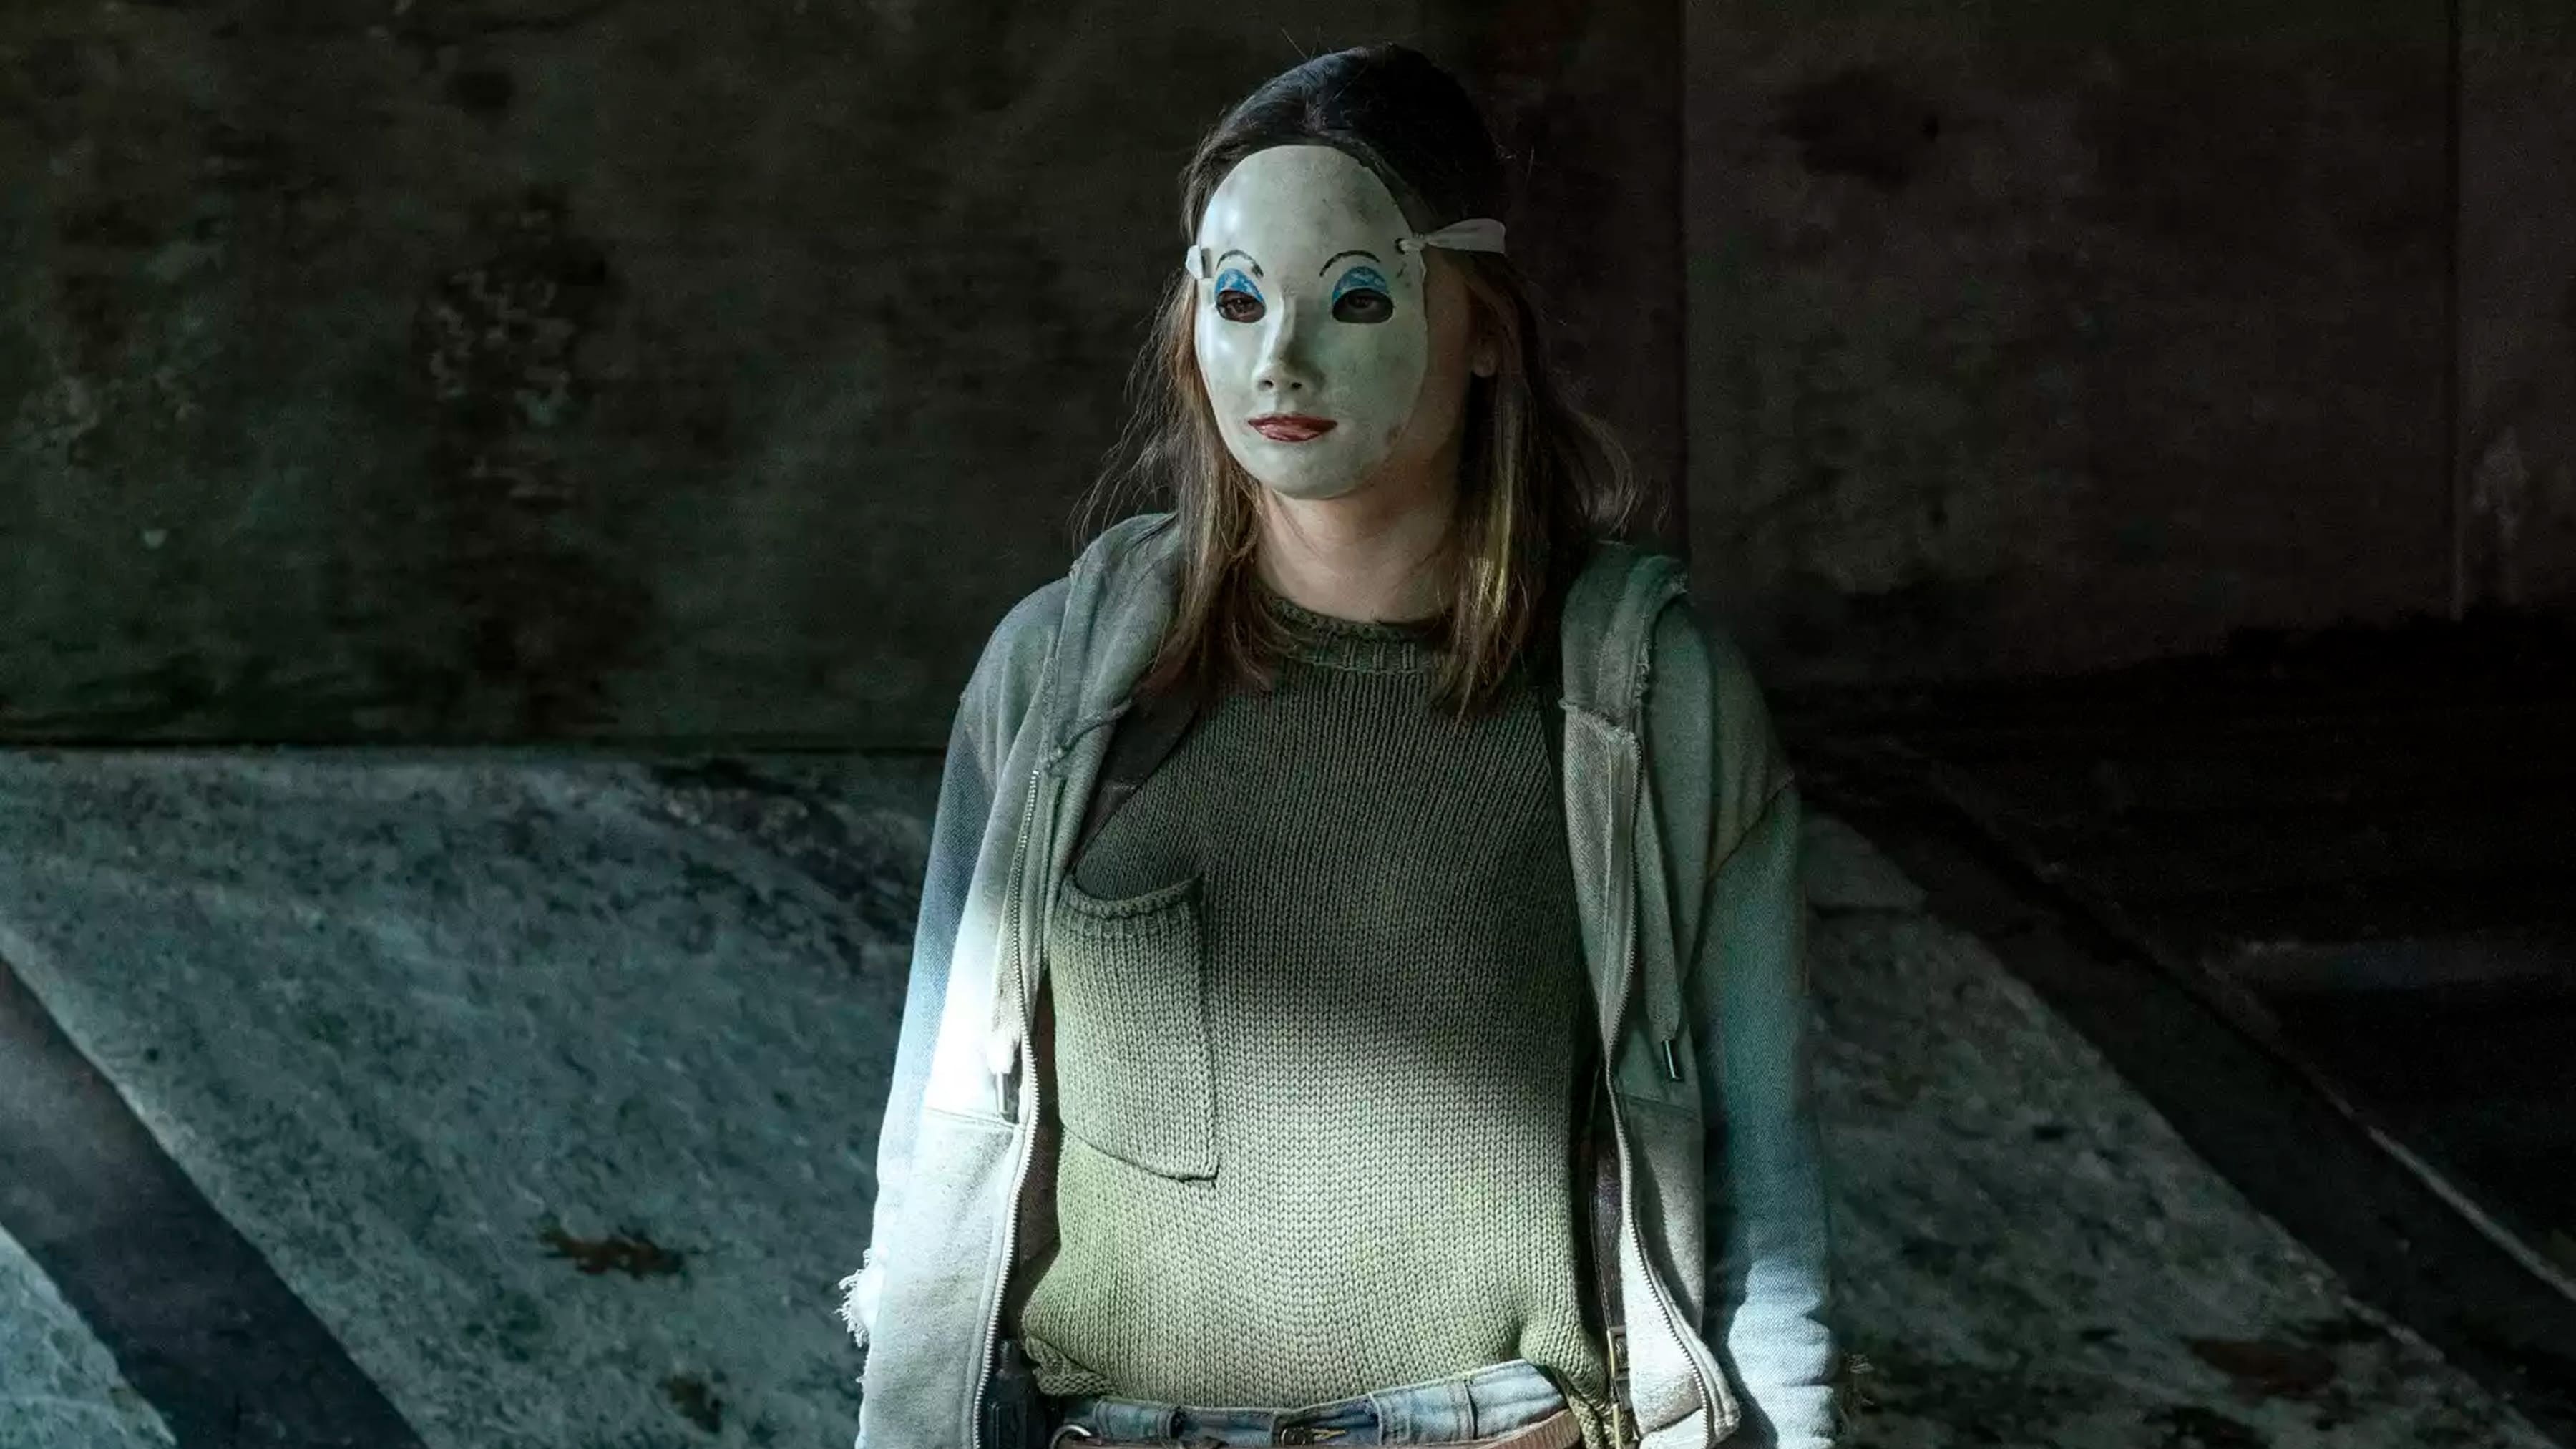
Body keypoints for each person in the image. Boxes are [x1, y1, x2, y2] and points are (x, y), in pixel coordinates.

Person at [841, 42, 1837, 1449]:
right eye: (1237, 299)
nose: (1281, 359)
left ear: (1484, 328)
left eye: (1355, 296)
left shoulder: (1648, 695)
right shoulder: (1057, 678)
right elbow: (941, 1134)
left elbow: (1762, 1197)